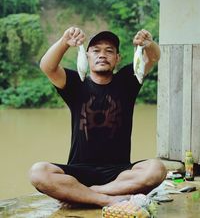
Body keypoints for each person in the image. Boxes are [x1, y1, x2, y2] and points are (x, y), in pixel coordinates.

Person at [29, 27, 167, 207]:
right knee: (38, 172)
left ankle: (84, 194)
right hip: (79, 171)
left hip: (119, 174)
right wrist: (64, 41)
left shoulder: (127, 81)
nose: (102, 55)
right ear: (86, 56)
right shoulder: (75, 84)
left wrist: (148, 44)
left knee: (157, 169)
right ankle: (107, 199)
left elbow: (153, 57)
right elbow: (47, 66)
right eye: (96, 50)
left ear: (117, 58)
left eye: (109, 51)